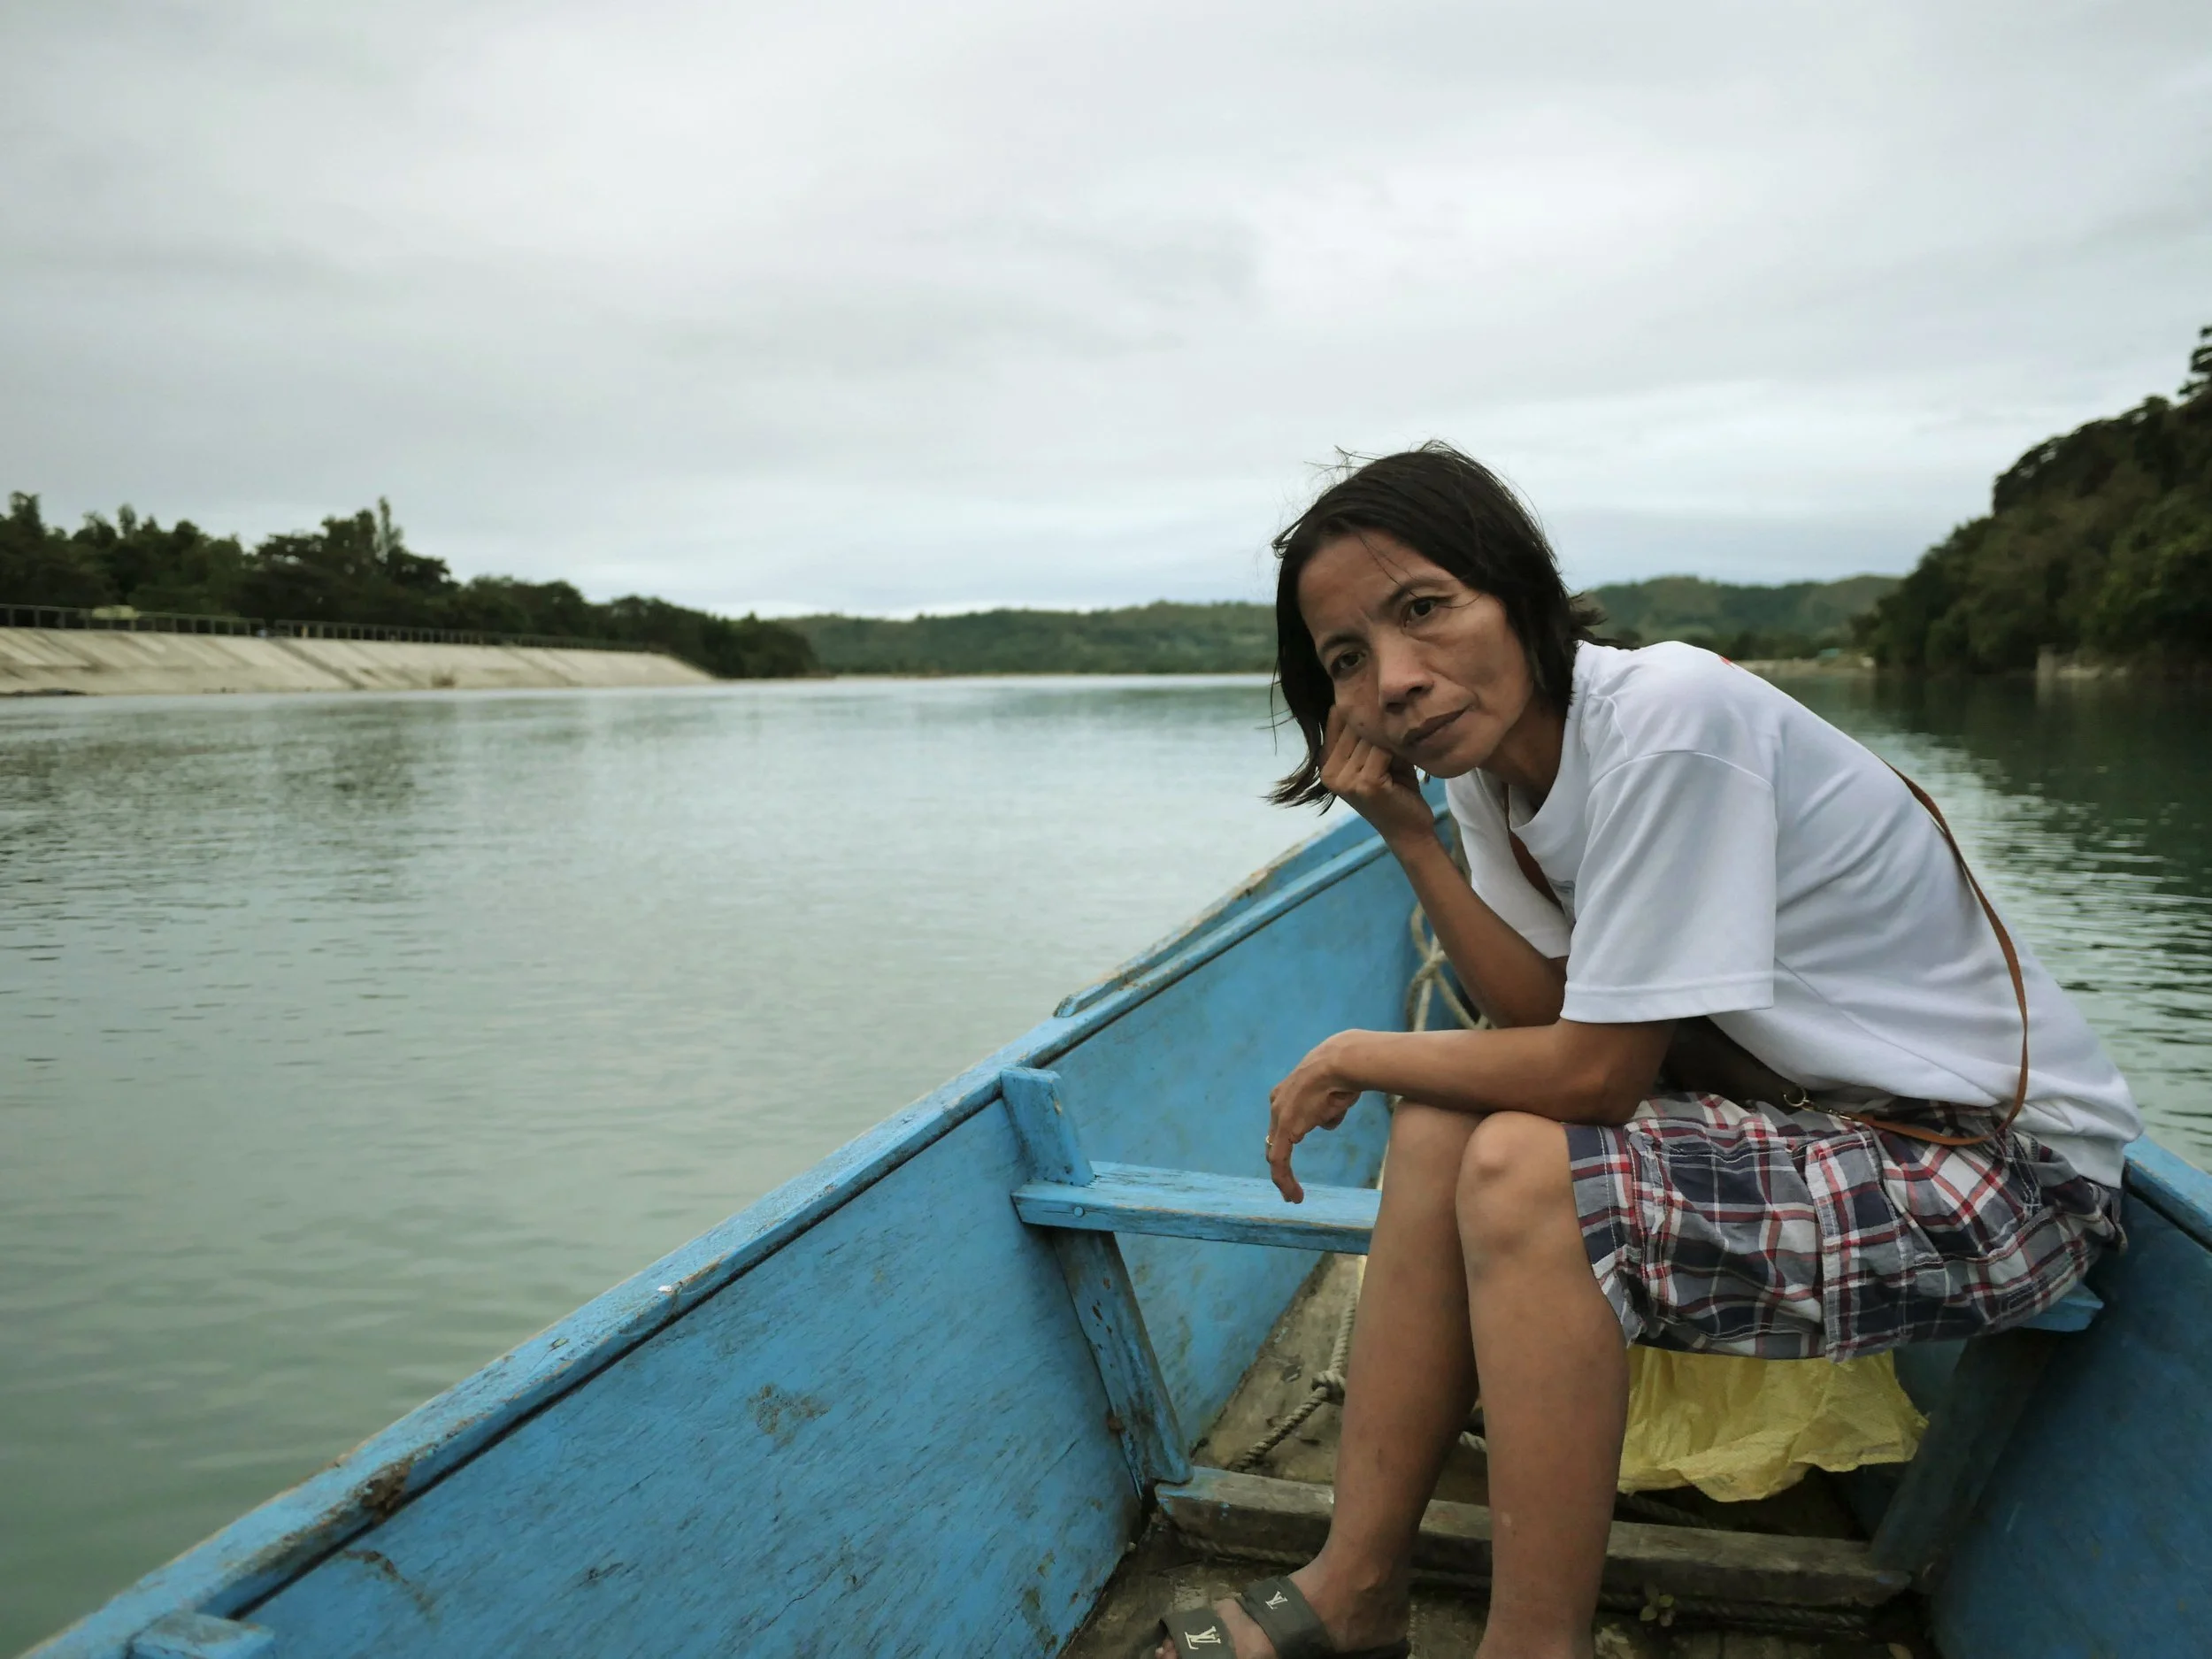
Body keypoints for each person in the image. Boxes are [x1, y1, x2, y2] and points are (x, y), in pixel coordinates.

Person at [1151, 444, 2139, 1659]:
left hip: (1996, 1171)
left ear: (1518, 589)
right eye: (1348, 658)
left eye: (1424, 610)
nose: (1396, 680)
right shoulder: (1485, 766)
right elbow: (1545, 1014)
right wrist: (1410, 835)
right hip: (1822, 1127)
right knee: (1445, 1124)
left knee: (1520, 1161)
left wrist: (1364, 1046)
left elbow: (1597, 1077)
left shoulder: (1670, 720)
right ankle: (1358, 1586)